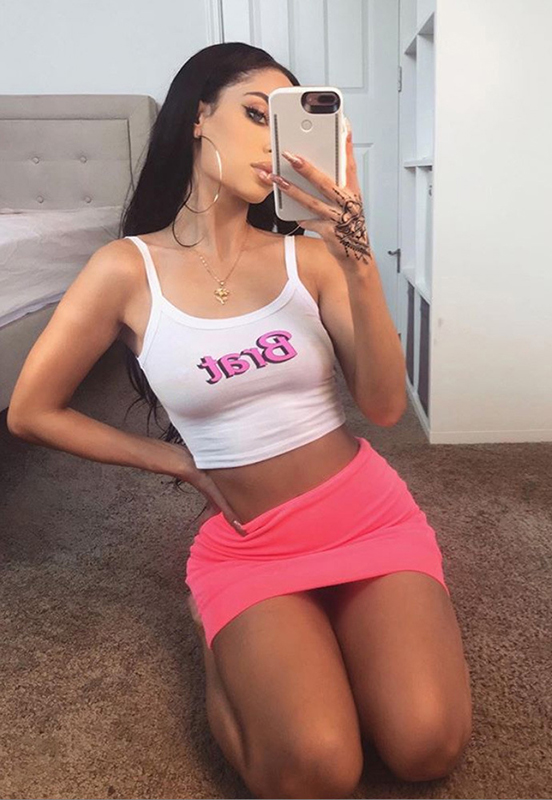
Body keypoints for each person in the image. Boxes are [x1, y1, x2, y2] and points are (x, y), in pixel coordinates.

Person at [6, 43, 472, 799]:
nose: (271, 144)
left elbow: (386, 407)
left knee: (427, 745)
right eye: (256, 114)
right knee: (317, 768)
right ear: (198, 117)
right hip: (252, 544)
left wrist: (357, 259)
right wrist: (178, 462)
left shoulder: (309, 259)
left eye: (283, 126)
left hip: (367, 519)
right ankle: (221, 629)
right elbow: (32, 411)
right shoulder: (125, 270)